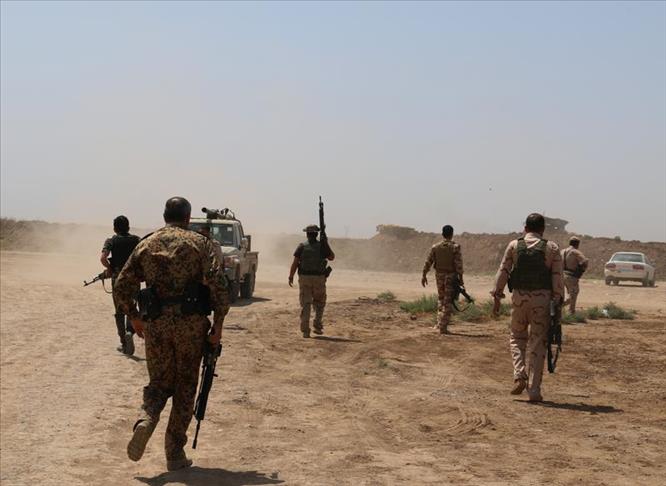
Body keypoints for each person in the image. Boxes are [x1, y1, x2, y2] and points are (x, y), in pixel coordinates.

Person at [113, 197, 230, 471]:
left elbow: (122, 284)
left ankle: (146, 419)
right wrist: (219, 324)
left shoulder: (146, 243)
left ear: (165, 216)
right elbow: (218, 283)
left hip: (156, 325)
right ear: (188, 218)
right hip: (191, 326)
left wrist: (134, 317)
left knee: (159, 383)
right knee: (185, 387)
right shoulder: (200, 243)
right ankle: (174, 453)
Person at [491, 213, 564, 402]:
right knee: (538, 343)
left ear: (525, 228)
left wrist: (497, 296)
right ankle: (534, 390)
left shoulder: (514, 246)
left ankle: (519, 374)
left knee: (517, 337)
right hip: (542, 302)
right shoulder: (552, 248)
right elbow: (557, 278)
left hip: (518, 299)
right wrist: (557, 305)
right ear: (543, 229)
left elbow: (503, 271)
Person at [101, 215, 140, 355]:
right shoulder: (137, 240)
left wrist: (110, 269)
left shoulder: (111, 241)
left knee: (119, 311)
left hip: (118, 280)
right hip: (133, 279)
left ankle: (124, 342)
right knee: (132, 306)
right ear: (128, 227)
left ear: (114, 228)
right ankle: (130, 331)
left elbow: (103, 258)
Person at [288, 224, 335, 338]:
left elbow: (295, 263)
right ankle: (317, 326)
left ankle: (305, 331)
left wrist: (291, 276)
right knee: (320, 303)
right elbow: (332, 257)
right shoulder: (322, 246)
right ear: (317, 234)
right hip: (319, 279)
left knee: (306, 303)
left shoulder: (302, 246)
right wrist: (325, 243)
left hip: (305, 278)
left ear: (307, 234)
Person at [421, 225, 464, 334]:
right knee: (448, 301)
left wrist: (424, 275)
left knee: (441, 299)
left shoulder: (435, 247)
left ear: (442, 234)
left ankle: (439, 324)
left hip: (439, 276)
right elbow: (458, 265)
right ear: (452, 234)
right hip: (450, 276)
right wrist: (461, 278)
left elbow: (428, 261)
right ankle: (443, 327)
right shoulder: (455, 247)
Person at [562, 236, 588, 314]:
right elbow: (585, 261)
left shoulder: (562, 251)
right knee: (573, 294)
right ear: (577, 244)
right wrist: (581, 271)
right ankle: (570, 311)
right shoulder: (575, 252)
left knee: (569, 294)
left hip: (561, 275)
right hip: (571, 276)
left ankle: (559, 308)